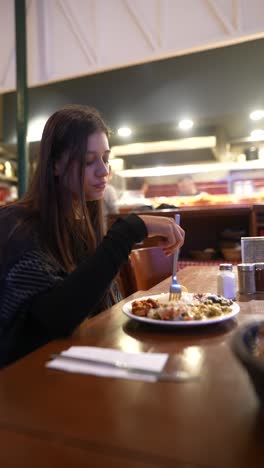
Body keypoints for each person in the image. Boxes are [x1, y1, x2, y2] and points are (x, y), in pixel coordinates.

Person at [0, 105, 185, 367]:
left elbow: (96, 307)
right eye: (89, 161)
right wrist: (129, 230)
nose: (103, 171)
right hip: (26, 381)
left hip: (74, 364)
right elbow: (57, 317)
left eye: (105, 158)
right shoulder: (17, 226)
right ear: (55, 164)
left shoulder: (81, 220)